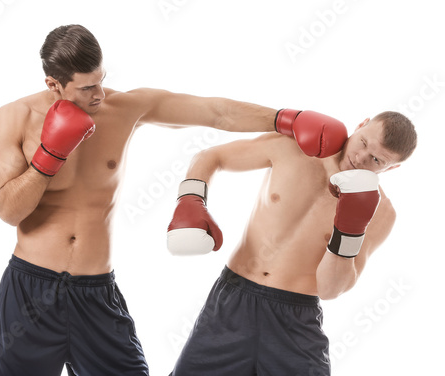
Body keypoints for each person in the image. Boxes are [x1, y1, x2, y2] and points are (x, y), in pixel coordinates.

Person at [0, 24, 335, 376]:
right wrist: (48, 156)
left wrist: (286, 119)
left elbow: (215, 112)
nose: (100, 94)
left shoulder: (126, 108)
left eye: (102, 80)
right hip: (30, 288)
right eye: (87, 87)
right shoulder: (16, 118)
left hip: (95, 289)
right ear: (53, 84)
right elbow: (9, 211)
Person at [167, 109, 417, 375]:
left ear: (393, 167)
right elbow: (211, 156)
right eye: (364, 143)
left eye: (377, 160)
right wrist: (191, 198)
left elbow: (330, 290)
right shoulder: (294, 147)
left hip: (295, 322)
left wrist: (349, 229)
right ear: (361, 124)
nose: (360, 158)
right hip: (232, 303)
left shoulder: (381, 214)